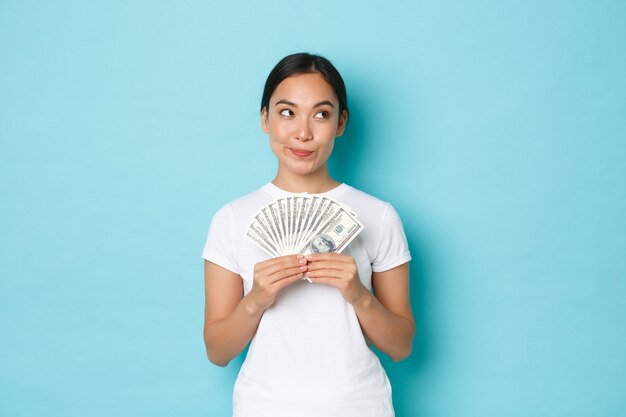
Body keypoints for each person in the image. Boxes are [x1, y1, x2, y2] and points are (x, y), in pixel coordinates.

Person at [202, 52, 414, 417]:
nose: (303, 132)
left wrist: (358, 295)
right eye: (287, 112)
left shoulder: (379, 215)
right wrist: (256, 299)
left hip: (360, 407)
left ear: (341, 122)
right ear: (265, 119)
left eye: (321, 114)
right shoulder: (231, 219)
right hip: (264, 407)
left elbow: (401, 346)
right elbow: (217, 351)